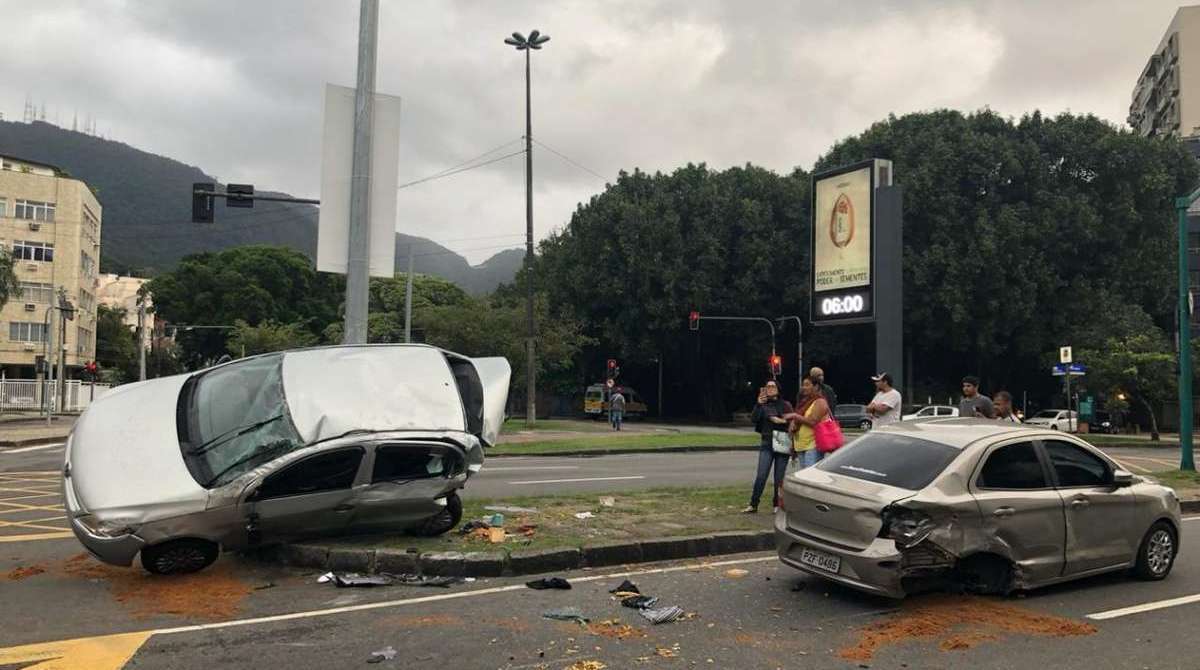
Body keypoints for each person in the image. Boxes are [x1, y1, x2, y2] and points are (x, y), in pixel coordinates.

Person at [744, 380, 793, 514]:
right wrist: (758, 404)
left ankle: (777, 504)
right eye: (768, 386)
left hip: (782, 441)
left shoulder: (785, 404)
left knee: (779, 477)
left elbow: (791, 422)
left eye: (773, 386)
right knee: (761, 475)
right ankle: (753, 503)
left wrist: (781, 420)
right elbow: (753, 419)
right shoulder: (762, 405)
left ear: (778, 389)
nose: (770, 388)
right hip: (767, 441)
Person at [787, 376, 831, 468]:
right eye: (803, 385)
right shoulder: (804, 401)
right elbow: (798, 420)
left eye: (807, 385)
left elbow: (813, 421)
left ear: (816, 386)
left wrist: (795, 416)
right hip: (800, 445)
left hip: (813, 445)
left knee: (810, 475)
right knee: (804, 475)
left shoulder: (820, 401)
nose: (804, 387)